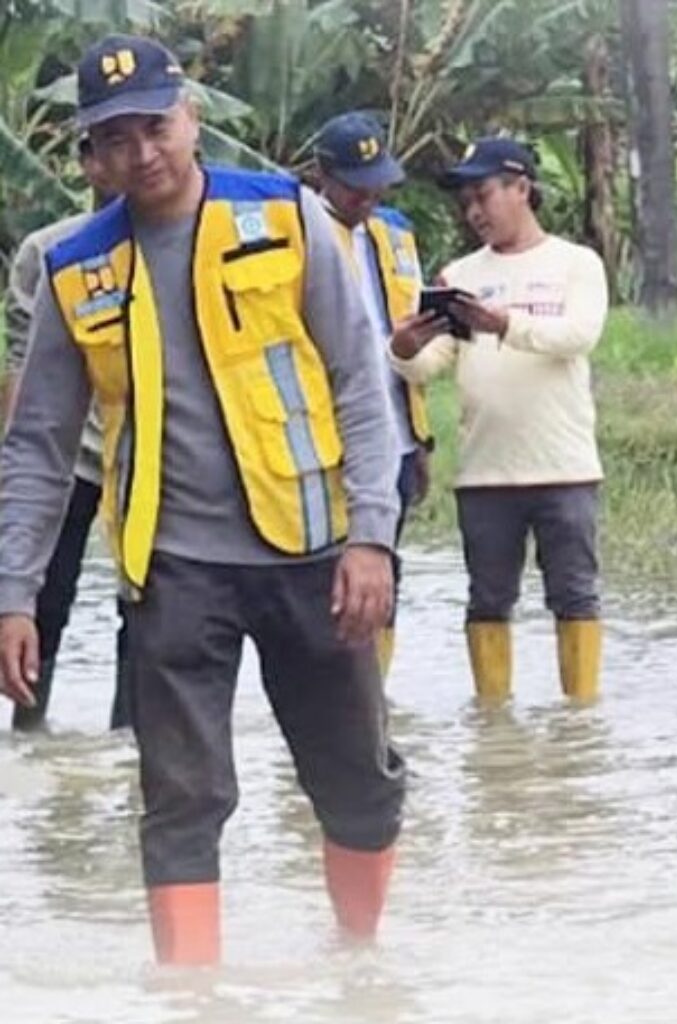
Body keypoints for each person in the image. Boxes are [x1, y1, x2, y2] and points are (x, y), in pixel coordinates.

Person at [0, 34, 404, 966]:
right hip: (174, 571)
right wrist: (14, 595)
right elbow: (39, 447)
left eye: (155, 125)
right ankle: (192, 998)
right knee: (180, 799)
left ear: (191, 118)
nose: (141, 153)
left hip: (313, 551)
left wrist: (371, 539)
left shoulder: (287, 218)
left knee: (359, 784)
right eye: (114, 138)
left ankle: (363, 968)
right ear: (90, 157)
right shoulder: (75, 270)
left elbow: (361, 385)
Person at [389, 138, 608, 703]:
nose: (475, 211)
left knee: (575, 596)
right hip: (485, 474)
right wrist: (404, 347)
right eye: (467, 201)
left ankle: (580, 718)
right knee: (487, 600)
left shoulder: (575, 264)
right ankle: (492, 719)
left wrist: (502, 323)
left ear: (521, 189)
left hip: (564, 468)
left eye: (484, 194)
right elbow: (429, 366)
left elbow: (578, 335)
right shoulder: (459, 274)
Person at [2, 137, 132, 732]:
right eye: (111, 149)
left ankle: (131, 744)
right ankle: (30, 733)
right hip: (72, 455)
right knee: (45, 599)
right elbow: (24, 371)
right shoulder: (49, 252)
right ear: (89, 164)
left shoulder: (180, 241)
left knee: (149, 610)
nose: (131, 161)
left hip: (149, 457)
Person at [314, 111, 432, 680]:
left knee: (385, 574)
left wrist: (422, 438)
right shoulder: (300, 232)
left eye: (376, 183)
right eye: (355, 186)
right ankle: (338, 692)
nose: (368, 196)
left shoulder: (395, 233)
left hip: (399, 436)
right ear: (322, 176)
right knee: (332, 581)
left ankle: (375, 699)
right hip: (333, 444)